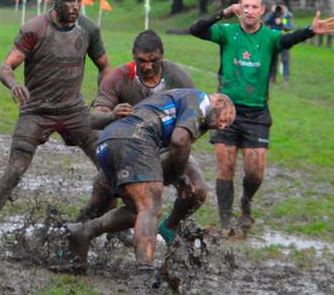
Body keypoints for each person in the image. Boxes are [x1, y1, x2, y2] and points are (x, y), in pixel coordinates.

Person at [0, 0, 110, 244]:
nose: (75, 6)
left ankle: (99, 226)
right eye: (69, 0)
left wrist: (102, 99)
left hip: (74, 111)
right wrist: (13, 84)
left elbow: (105, 67)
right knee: (14, 171)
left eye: (78, 0)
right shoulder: (34, 29)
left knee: (110, 167)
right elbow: (5, 67)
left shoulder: (89, 29)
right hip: (37, 111)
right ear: (56, 1)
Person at [188, 0, 334, 234]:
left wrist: (311, 30)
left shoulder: (269, 37)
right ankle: (226, 223)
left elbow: (288, 40)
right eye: (245, 6)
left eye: (254, 7)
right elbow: (196, 30)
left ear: (262, 11)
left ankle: (246, 201)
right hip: (226, 112)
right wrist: (223, 13)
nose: (249, 11)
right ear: (239, 8)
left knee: (255, 172)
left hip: (257, 114)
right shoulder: (227, 32)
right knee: (225, 167)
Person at [66, 89, 235, 272]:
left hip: (108, 143)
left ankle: (84, 231)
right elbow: (179, 141)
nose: (224, 126)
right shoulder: (200, 100)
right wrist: (179, 177)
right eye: (226, 119)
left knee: (136, 210)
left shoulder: (178, 101)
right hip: (134, 140)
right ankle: (144, 271)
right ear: (219, 101)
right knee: (150, 207)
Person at [80, 30, 206, 244]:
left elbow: (195, 120)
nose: (147, 66)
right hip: (129, 153)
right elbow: (92, 119)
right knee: (99, 203)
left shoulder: (179, 78)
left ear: (162, 56)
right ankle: (73, 237)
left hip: (167, 148)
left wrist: (178, 165)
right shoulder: (119, 78)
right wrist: (111, 115)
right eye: (141, 61)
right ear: (133, 56)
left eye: (153, 61)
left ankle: (170, 226)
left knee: (198, 190)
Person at [265, 0, 295, 84]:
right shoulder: (271, 15)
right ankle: (272, 79)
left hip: (284, 40)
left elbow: (289, 27)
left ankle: (286, 79)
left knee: (285, 59)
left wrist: (284, 17)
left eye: (281, 6)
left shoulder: (286, 16)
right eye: (278, 6)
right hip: (274, 40)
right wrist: (272, 12)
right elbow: (265, 21)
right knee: (273, 60)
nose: (279, 9)